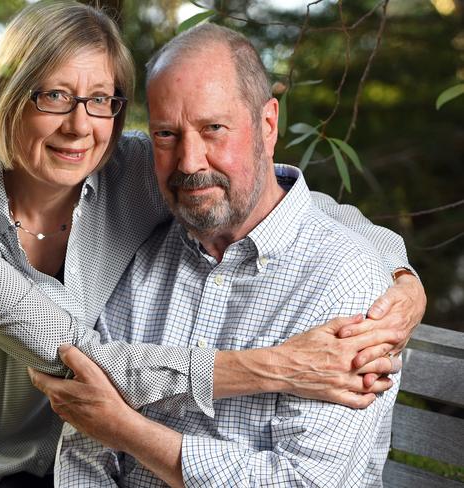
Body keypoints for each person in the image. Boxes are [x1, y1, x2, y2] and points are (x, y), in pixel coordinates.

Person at [0, 2, 424, 487]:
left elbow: (284, 200)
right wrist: (277, 366)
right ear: (9, 94)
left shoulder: (132, 167)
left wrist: (402, 280)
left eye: (100, 100)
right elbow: (70, 357)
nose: (79, 125)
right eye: (54, 95)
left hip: (68, 467)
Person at [32, 24, 410, 487]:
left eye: (213, 129)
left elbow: (305, 482)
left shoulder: (346, 284)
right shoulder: (141, 256)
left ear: (267, 125)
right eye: (166, 135)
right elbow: (86, 450)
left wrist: (127, 431)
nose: (189, 162)